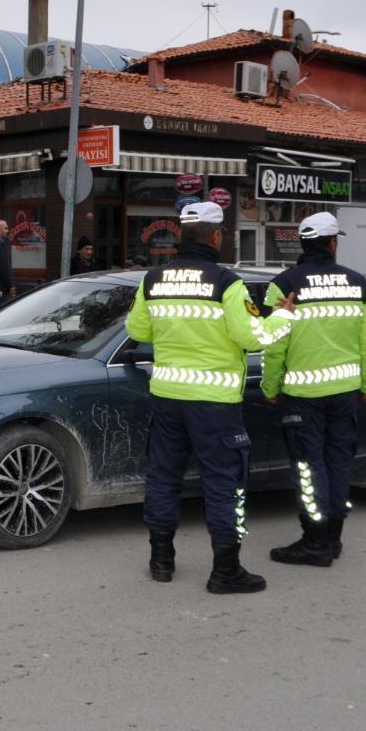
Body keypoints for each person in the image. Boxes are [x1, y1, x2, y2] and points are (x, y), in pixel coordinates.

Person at [125, 201, 296, 594]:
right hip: (215, 404)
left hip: (167, 396)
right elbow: (253, 337)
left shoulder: (154, 279)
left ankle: (161, 561)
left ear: (182, 235)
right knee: (224, 484)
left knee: (163, 478)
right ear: (216, 236)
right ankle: (226, 570)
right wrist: (283, 316)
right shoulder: (226, 282)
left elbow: (138, 330)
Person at [262, 212, 366, 567]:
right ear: (333, 244)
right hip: (345, 393)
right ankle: (332, 539)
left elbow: (274, 345)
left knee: (308, 468)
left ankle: (315, 542)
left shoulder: (284, 284)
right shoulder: (358, 284)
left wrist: (270, 387)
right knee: (338, 463)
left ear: (303, 243)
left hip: (302, 397)